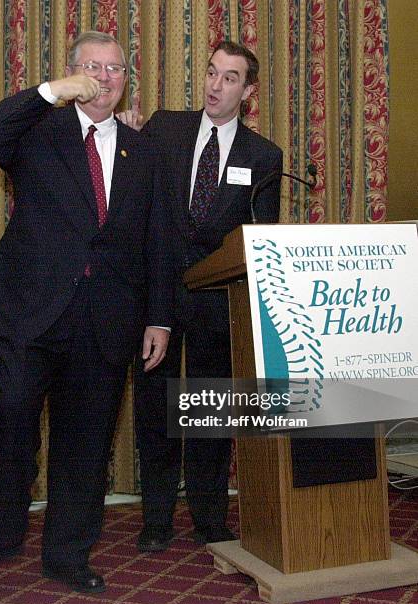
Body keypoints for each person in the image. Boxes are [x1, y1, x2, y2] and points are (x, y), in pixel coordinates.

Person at [0, 31, 172, 593]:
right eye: (93, 67)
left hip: (105, 322)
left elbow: (158, 240)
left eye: (116, 68)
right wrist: (52, 91)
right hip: (29, 315)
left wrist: (159, 318)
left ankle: (68, 553)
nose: (105, 77)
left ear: (127, 80)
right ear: (74, 73)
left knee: (86, 443)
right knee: (13, 431)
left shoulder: (142, 149)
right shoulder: (36, 132)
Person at [120, 41, 282, 552]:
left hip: (219, 302)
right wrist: (123, 134)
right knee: (157, 412)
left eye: (229, 78)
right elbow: (130, 184)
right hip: (158, 299)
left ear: (248, 91)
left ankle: (210, 518)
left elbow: (261, 238)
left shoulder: (264, 157)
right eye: (211, 73)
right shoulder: (165, 127)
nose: (215, 85)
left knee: (210, 412)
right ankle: (156, 521)